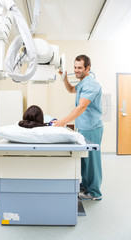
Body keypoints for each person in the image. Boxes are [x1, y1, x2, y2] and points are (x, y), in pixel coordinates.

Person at [53, 55, 103, 201]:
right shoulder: (82, 82)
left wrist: (63, 122)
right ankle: (86, 186)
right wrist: (65, 78)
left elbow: (81, 107)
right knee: (85, 159)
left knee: (92, 161)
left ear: (88, 68)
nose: (76, 70)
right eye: (75, 67)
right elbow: (70, 90)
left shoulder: (91, 84)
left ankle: (95, 192)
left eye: (80, 68)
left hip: (92, 127)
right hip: (83, 127)